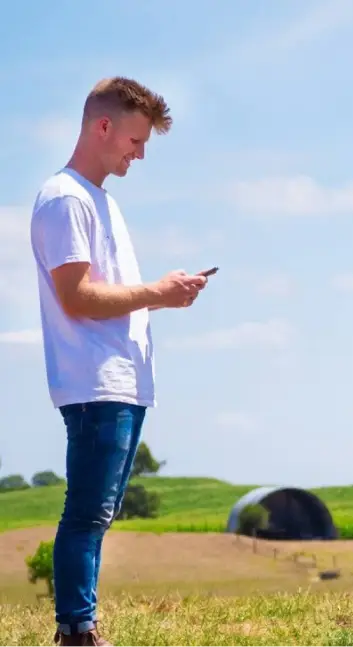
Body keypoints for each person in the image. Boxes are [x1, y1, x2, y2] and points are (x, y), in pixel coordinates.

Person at [29, 77, 209, 647]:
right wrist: (159, 292)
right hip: (95, 380)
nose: (139, 153)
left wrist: (162, 292)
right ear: (102, 127)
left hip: (121, 381)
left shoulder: (99, 200)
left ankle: (80, 627)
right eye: (135, 140)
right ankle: (77, 632)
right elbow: (78, 296)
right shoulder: (66, 198)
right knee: (86, 513)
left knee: (96, 514)